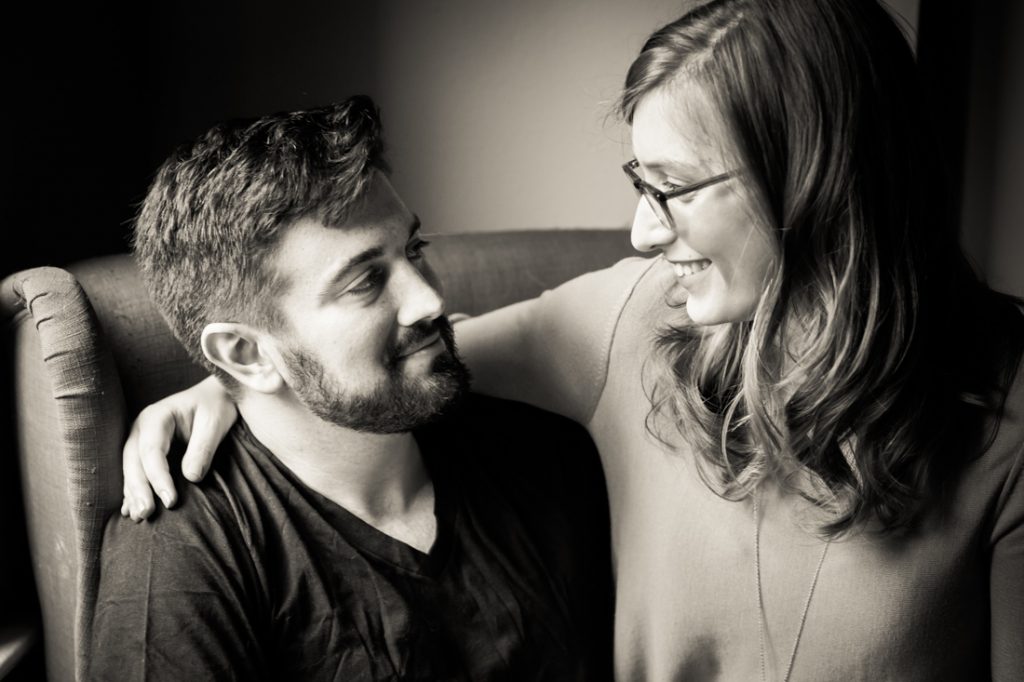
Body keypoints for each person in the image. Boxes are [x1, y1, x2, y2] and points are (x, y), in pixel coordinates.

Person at [123, 0, 1024, 679]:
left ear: (816, 184)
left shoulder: (1005, 411)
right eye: (639, 180)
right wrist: (239, 380)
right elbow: (395, 364)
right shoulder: (634, 323)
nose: (637, 232)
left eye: (671, 186)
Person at [91, 97, 613, 681]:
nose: (431, 300)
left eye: (413, 250)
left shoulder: (543, 455)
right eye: (365, 282)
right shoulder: (187, 555)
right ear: (246, 353)